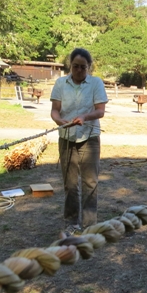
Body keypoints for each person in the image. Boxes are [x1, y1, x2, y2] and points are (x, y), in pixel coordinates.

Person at [50, 48, 108, 230]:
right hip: (66, 137)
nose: (79, 70)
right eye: (75, 66)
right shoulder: (60, 83)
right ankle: (71, 223)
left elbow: (100, 111)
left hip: (89, 138)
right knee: (70, 184)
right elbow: (55, 110)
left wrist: (84, 117)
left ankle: (90, 225)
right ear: (70, 65)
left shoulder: (96, 83)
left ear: (88, 67)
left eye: (83, 67)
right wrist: (59, 120)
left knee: (90, 183)